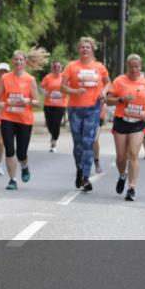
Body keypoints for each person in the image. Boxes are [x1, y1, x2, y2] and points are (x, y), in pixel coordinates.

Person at [61, 37, 110, 192]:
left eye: (87, 47)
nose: (84, 50)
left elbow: (109, 82)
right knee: (78, 144)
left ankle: (86, 177)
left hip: (93, 108)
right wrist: (75, 91)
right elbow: (62, 87)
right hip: (75, 108)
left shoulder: (99, 67)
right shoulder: (71, 66)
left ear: (92, 49)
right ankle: (79, 169)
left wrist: (103, 91)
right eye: (82, 47)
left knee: (88, 142)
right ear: (78, 50)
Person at [107, 55, 145, 201]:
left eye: (137, 67)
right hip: (121, 121)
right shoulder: (119, 81)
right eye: (131, 67)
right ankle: (123, 175)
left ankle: (131, 188)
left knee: (133, 153)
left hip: (138, 123)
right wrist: (121, 99)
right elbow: (108, 100)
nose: (134, 69)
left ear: (140, 66)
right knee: (121, 158)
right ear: (127, 66)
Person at [0, 50, 41, 191]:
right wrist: (0, 104)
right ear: (12, 61)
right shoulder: (5, 78)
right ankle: (12, 180)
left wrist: (27, 100)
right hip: (8, 118)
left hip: (24, 120)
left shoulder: (30, 79)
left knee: (21, 153)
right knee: (9, 150)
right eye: (16, 59)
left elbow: (37, 102)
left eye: (21, 59)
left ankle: (24, 166)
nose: (18, 62)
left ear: (25, 62)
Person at [41, 61, 67, 153]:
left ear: (61, 68)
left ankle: (54, 141)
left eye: (58, 67)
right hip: (48, 104)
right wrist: (46, 93)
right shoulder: (48, 77)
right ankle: (53, 135)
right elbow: (41, 87)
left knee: (56, 123)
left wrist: (64, 92)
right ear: (52, 68)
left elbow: (69, 88)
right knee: (49, 123)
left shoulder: (64, 77)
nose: (57, 68)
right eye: (55, 66)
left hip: (60, 105)